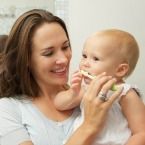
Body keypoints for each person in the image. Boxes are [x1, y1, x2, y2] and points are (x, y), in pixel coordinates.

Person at [0, 9, 123, 145]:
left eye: (65, 47)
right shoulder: (8, 110)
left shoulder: (86, 96)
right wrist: (89, 126)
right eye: (49, 53)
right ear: (26, 59)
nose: (64, 59)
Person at [54, 29, 145, 145]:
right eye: (84, 56)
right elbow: (59, 104)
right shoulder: (86, 88)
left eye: (95, 59)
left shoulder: (125, 93)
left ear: (120, 69)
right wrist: (73, 93)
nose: (85, 63)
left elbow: (141, 132)